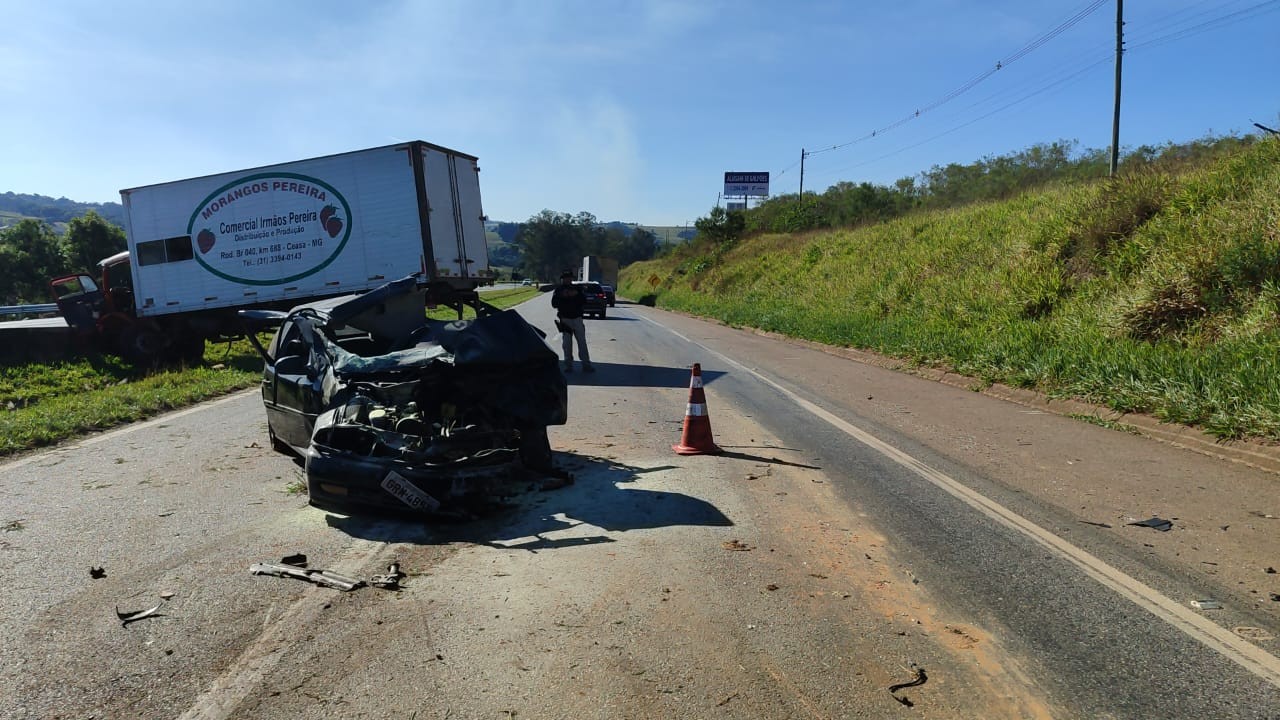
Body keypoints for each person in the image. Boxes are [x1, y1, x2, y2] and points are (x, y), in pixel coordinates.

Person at [551, 272, 594, 373]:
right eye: (565, 278)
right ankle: (568, 365)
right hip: (565, 319)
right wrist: (563, 296)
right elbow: (554, 304)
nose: (567, 280)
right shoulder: (558, 290)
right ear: (562, 279)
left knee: (582, 342)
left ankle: (586, 364)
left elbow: (584, 301)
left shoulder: (578, 289)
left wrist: (576, 295)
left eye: (569, 278)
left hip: (577, 319)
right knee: (567, 344)